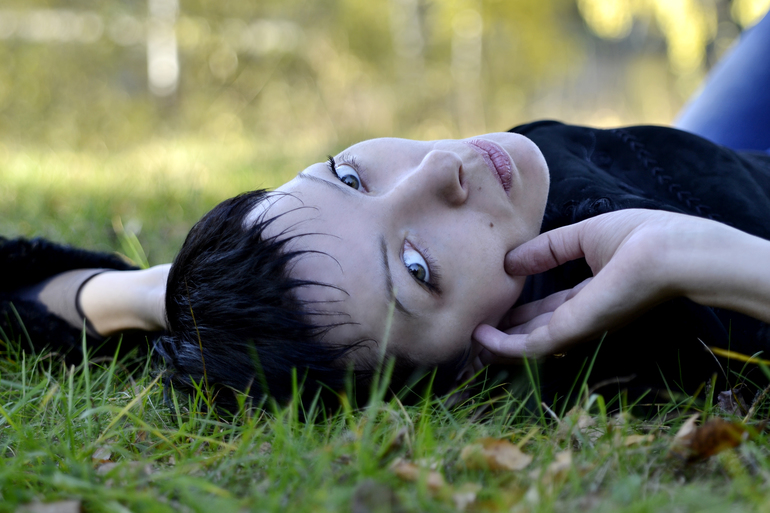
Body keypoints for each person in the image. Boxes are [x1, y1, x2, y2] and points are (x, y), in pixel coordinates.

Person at [3, 13, 770, 410]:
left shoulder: (314, 277)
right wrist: (698, 257)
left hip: (714, 151)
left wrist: (157, 292)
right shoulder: (696, 329)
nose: (439, 169)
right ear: (467, 371)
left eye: (347, 175)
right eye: (416, 266)